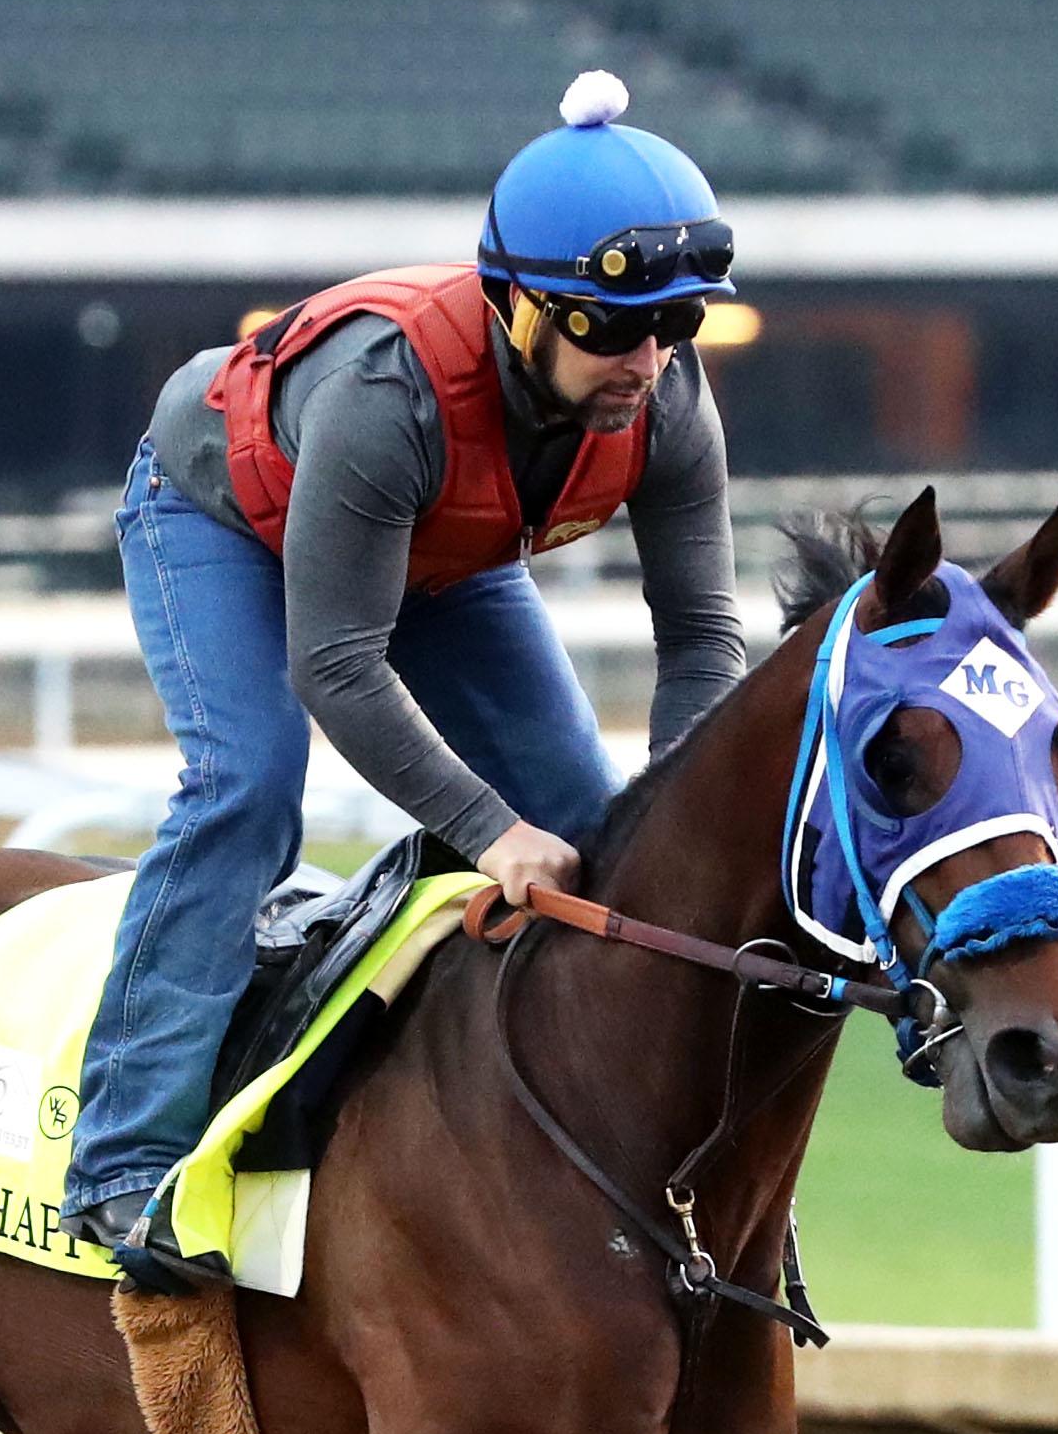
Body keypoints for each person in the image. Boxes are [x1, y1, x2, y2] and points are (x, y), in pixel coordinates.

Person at [59, 70, 750, 1287]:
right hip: (223, 517)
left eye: (677, 323)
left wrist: (683, 811)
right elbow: (335, 665)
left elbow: (700, 636)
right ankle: (122, 1158)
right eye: (611, 328)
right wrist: (488, 833)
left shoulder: (669, 401)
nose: (647, 360)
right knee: (247, 784)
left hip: (441, 551)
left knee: (594, 827)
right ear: (523, 309)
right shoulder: (391, 395)